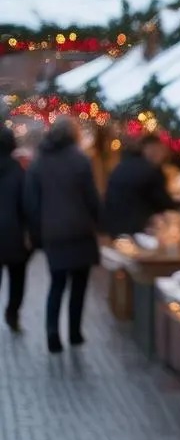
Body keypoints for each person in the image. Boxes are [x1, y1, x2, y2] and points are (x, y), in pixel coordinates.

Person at [25, 117, 101, 353]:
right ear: (74, 135)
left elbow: (32, 203)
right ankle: (75, 332)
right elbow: (91, 198)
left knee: (56, 284)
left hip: (53, 233)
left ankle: (52, 333)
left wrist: (36, 233)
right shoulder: (80, 161)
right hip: (79, 232)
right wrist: (101, 222)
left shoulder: (39, 163)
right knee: (79, 285)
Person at [102, 135, 177, 237]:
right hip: (136, 229)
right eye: (161, 151)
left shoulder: (122, 166)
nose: (163, 156)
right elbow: (163, 202)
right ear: (151, 149)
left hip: (113, 227)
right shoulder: (150, 170)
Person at [0, 125, 29, 332]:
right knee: (17, 278)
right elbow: (27, 205)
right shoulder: (19, 172)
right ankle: (12, 313)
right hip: (15, 234)